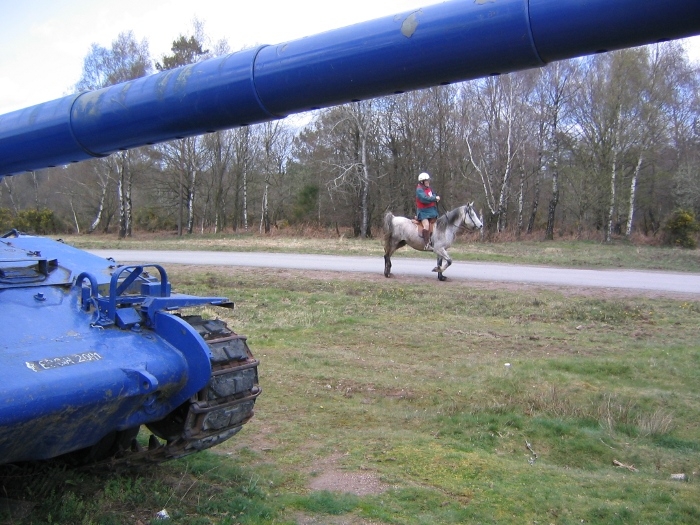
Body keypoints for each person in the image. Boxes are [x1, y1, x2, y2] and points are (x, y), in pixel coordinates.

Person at [415, 172, 440, 250]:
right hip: (423, 212)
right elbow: (424, 199)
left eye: (428, 180)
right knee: (426, 225)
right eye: (426, 180)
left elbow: (433, 194)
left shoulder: (429, 188)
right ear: (422, 182)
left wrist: (435, 197)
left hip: (431, 210)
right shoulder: (419, 190)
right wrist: (434, 198)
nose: (428, 182)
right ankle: (427, 244)